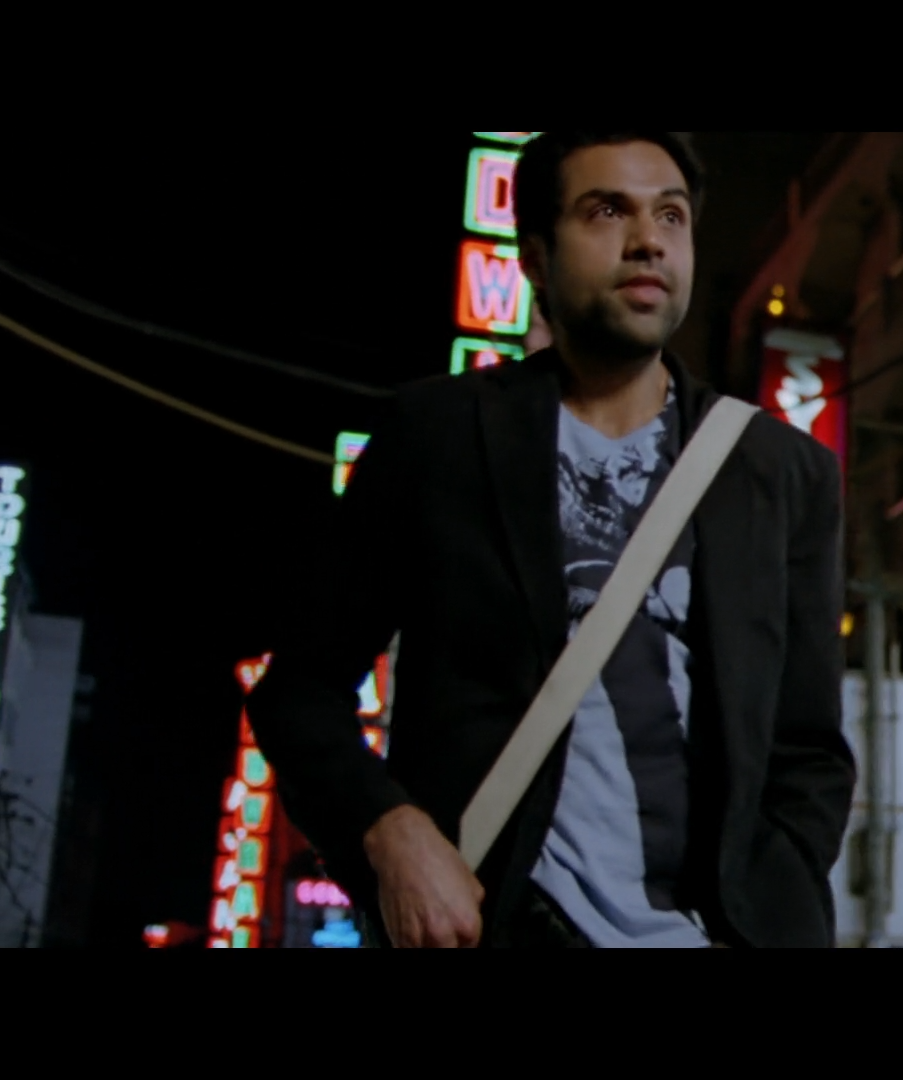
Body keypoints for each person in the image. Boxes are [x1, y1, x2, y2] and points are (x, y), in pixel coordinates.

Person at [247, 130, 854, 949]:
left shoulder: (782, 472)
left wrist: (773, 903)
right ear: (534, 258)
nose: (647, 240)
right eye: (606, 211)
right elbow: (299, 694)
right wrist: (390, 831)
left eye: (670, 216)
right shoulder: (438, 434)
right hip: (498, 923)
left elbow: (808, 749)